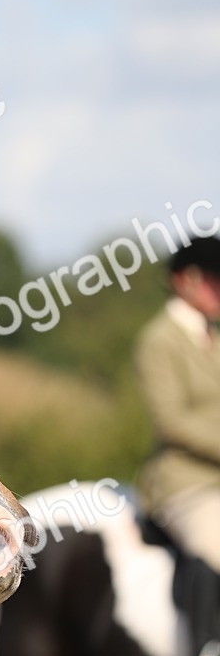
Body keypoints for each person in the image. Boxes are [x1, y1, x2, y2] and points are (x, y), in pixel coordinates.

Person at [135, 232, 220, 574]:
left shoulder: (213, 338)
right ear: (186, 281)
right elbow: (171, 421)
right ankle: (206, 631)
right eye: (214, 280)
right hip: (186, 482)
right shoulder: (159, 340)